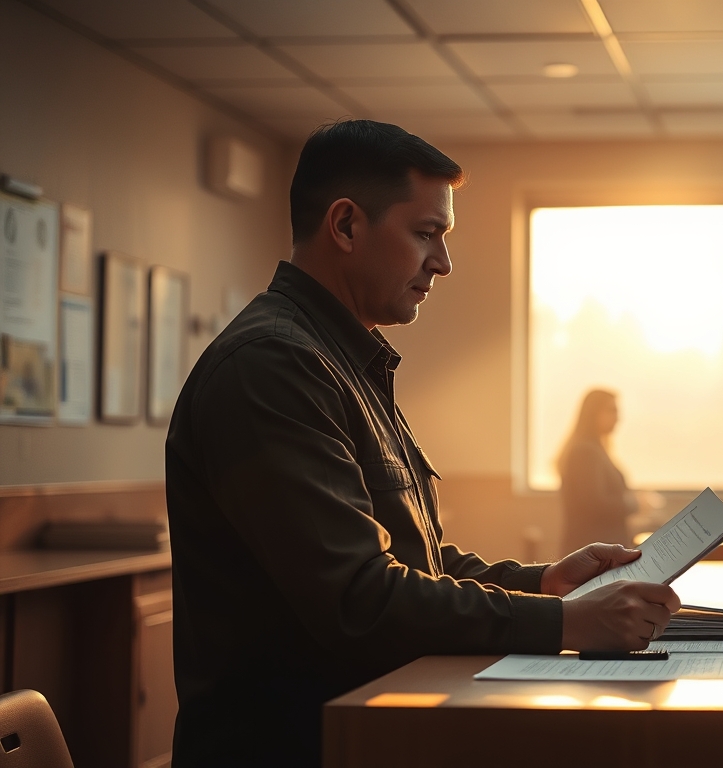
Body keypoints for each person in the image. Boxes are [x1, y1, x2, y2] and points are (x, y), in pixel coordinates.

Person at [165, 120, 680, 767]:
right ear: (347, 226)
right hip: (296, 746)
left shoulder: (344, 361)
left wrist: (545, 584)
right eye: (426, 233)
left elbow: (417, 566)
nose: (443, 262)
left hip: (369, 729)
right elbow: (362, 600)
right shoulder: (272, 365)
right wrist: (568, 623)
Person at [558, 389, 638, 553]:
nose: (618, 418)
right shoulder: (585, 452)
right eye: (612, 410)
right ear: (593, 413)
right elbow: (594, 504)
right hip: (594, 552)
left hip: (601, 549)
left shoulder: (596, 449)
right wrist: (635, 503)